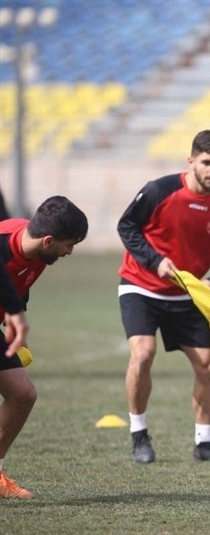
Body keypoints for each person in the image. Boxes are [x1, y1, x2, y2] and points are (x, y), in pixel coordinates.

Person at [117, 130, 210, 465]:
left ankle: (204, 444)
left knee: (209, 365)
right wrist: (154, 260)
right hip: (141, 286)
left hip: (188, 298)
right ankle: (139, 434)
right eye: (207, 162)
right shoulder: (159, 190)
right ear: (191, 161)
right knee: (143, 354)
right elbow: (127, 226)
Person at [0, 196, 88, 498]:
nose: (70, 251)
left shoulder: (38, 250)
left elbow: (18, 286)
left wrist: (13, 315)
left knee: (22, 395)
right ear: (49, 240)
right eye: (68, 244)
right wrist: (15, 314)